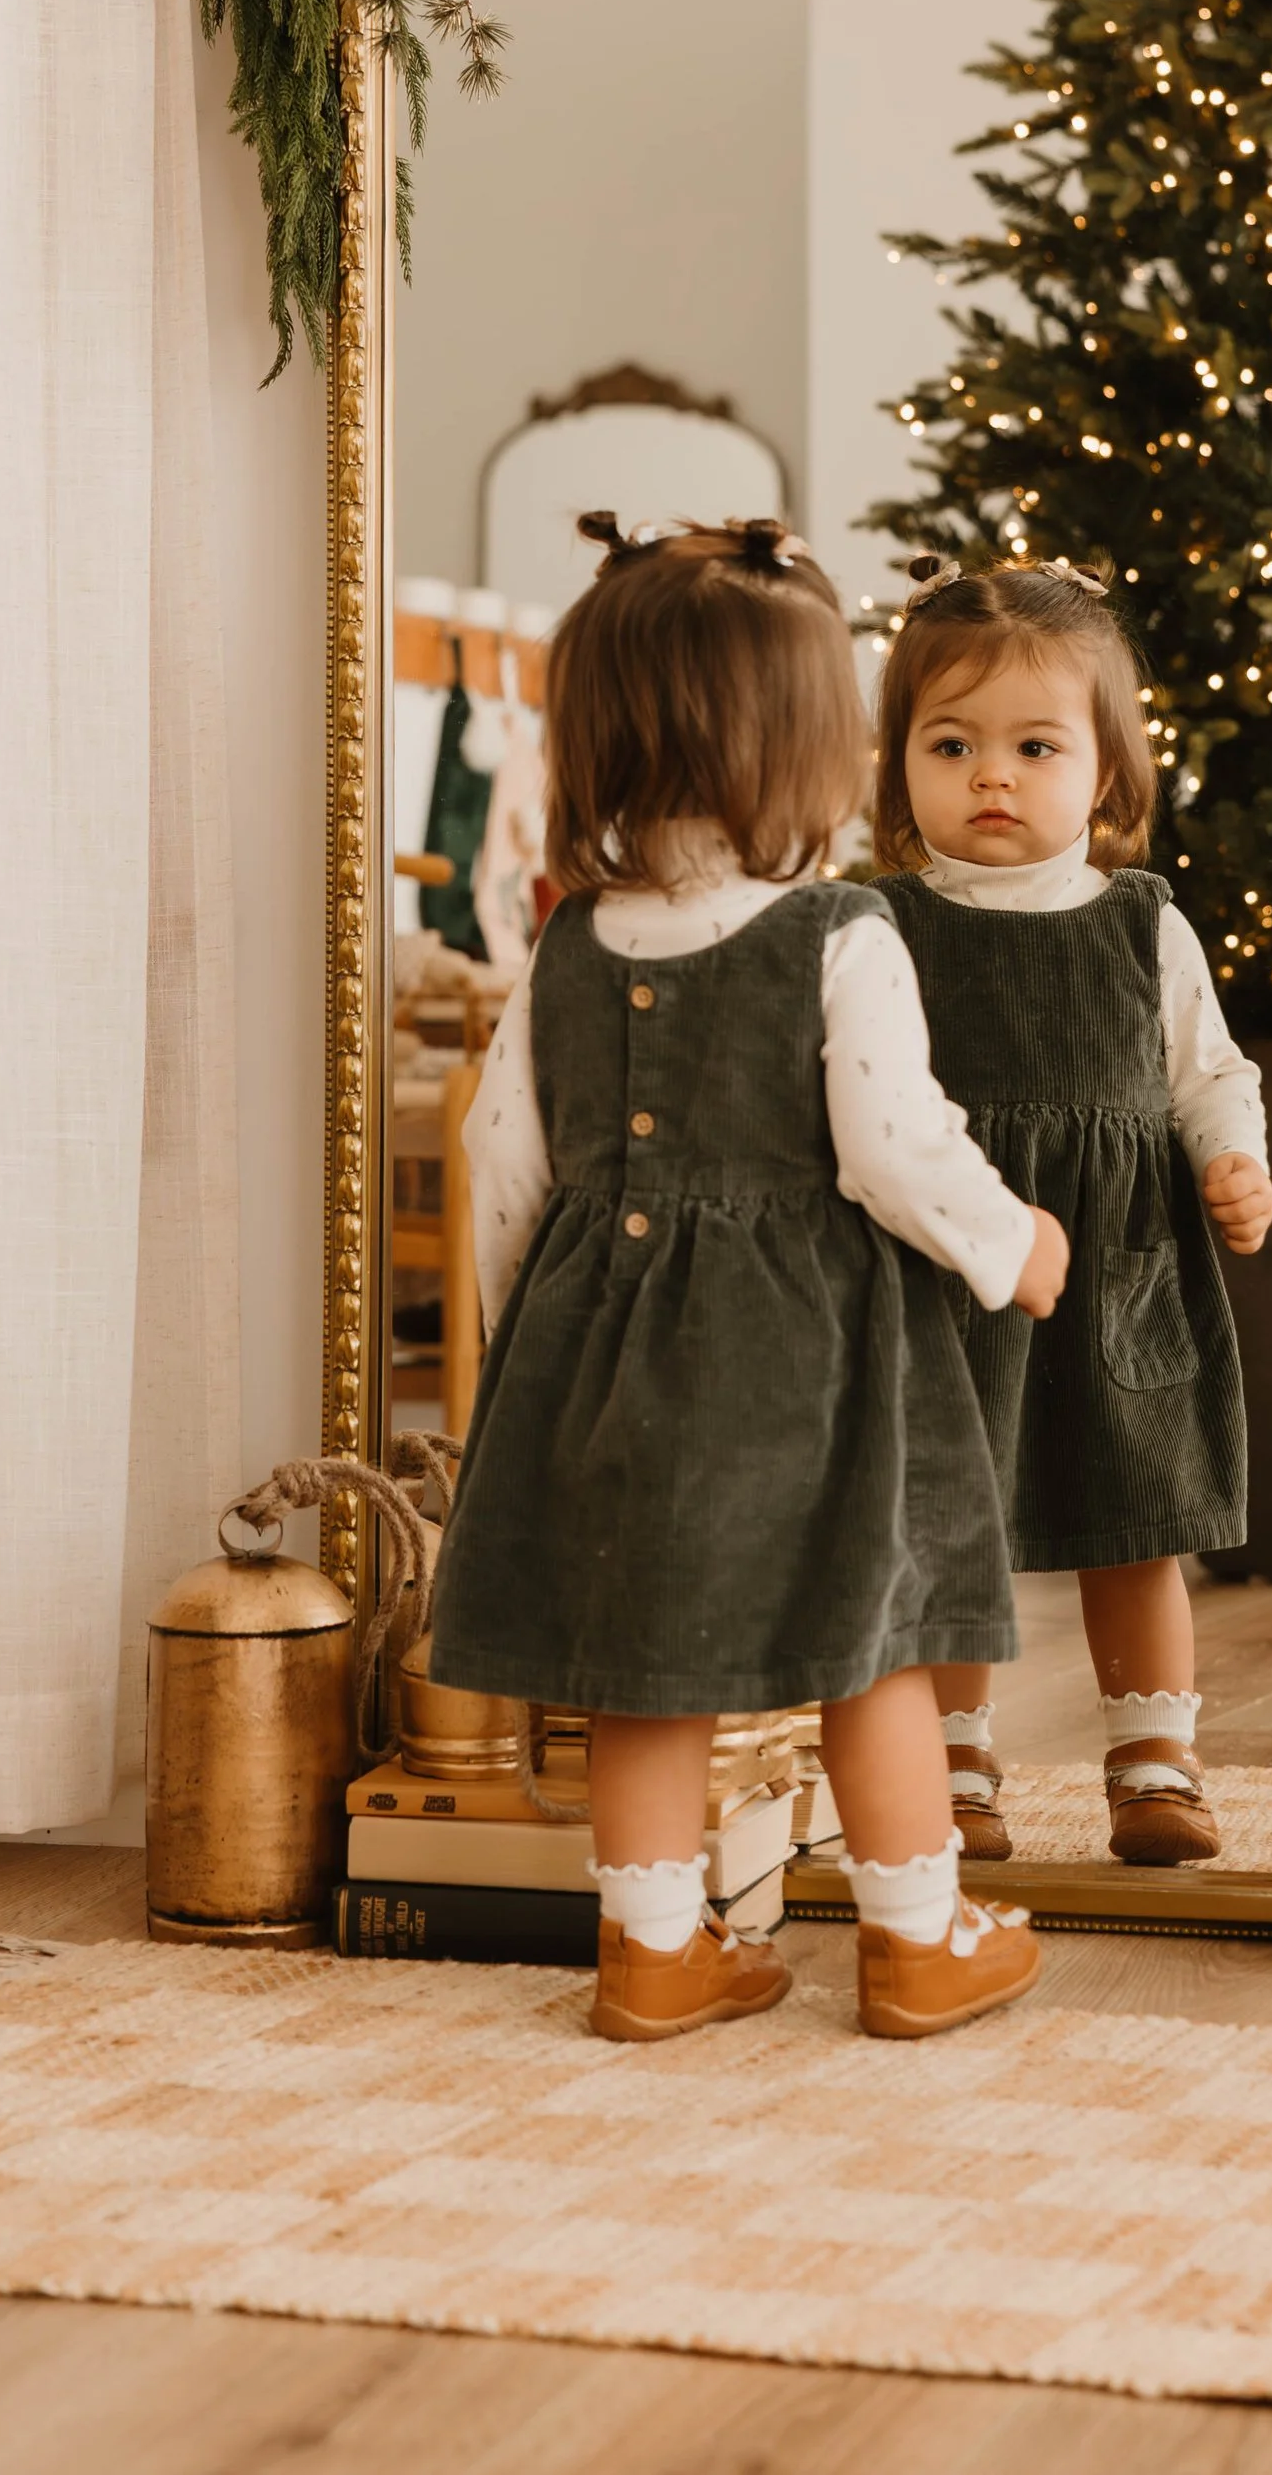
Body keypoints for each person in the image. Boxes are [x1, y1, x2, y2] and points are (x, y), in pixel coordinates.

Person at [427, 515, 1071, 2044]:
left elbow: (498, 1163)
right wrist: (1014, 1245)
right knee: (874, 1642)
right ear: (800, 749)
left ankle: (653, 1949)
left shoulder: (569, 946)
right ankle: (919, 1938)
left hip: (613, 1359)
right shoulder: (840, 933)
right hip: (815, 1374)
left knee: (648, 1669)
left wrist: (535, 1338)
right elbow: (893, 1148)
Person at [873, 556, 1272, 1866]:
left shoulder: (1142, 923)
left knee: (1135, 1516)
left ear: (1104, 772)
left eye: (1035, 745)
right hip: (946, 1276)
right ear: (901, 765)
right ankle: (953, 1759)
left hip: (1118, 1270)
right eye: (953, 743)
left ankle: (1155, 1757)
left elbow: (1209, 1070)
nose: (993, 774)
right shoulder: (877, 926)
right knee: (950, 1521)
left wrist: (1234, 1159)